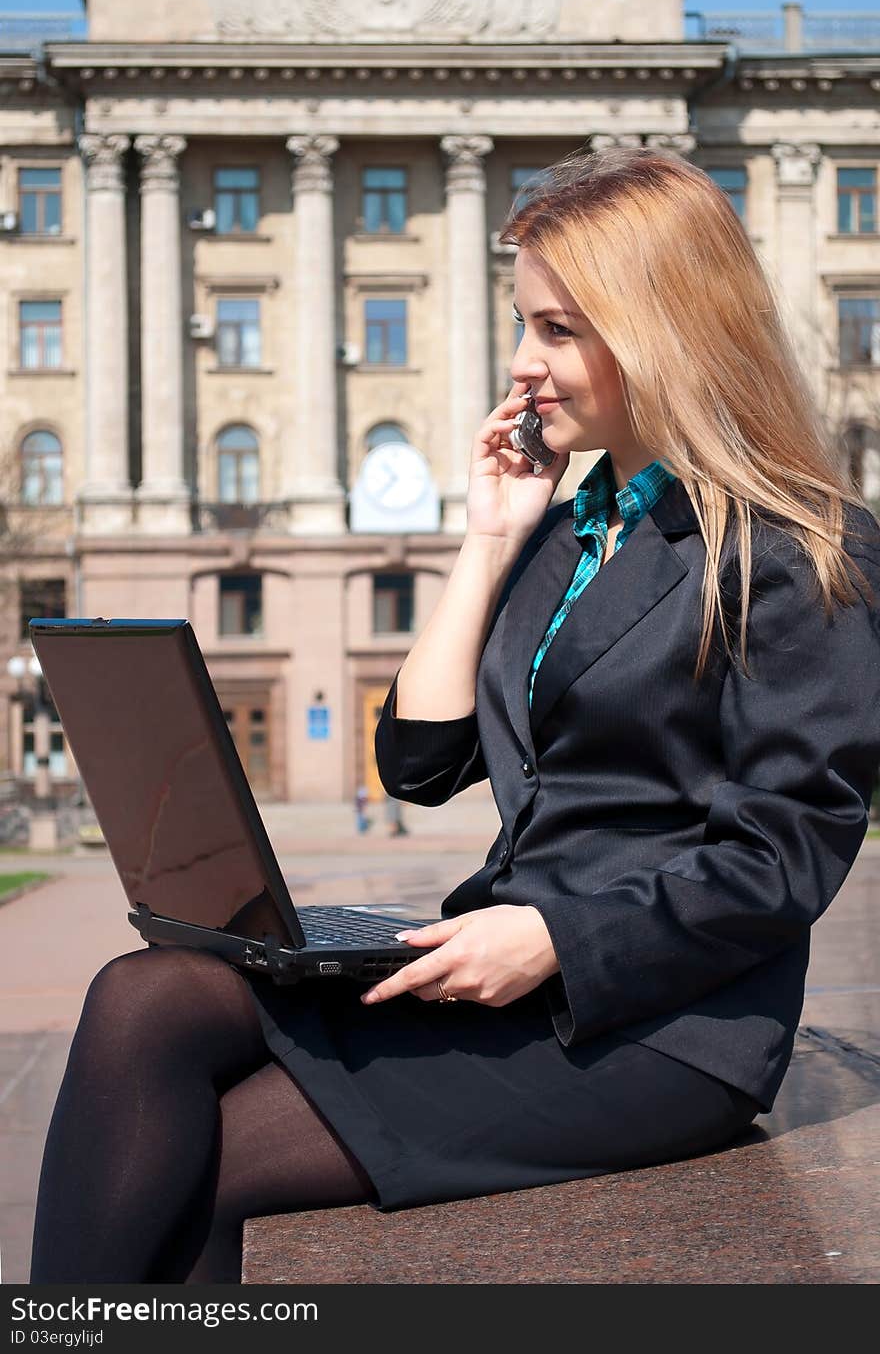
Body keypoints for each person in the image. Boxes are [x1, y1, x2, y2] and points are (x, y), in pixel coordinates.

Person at [29, 147, 880, 1285]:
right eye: (526, 325)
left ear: (668, 328)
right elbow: (420, 762)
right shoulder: (572, 530)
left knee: (200, 1157)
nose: (525, 365)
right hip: (500, 962)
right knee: (147, 996)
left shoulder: (798, 545)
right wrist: (485, 541)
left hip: (658, 1021)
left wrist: (554, 939)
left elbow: (787, 852)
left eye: (559, 330)